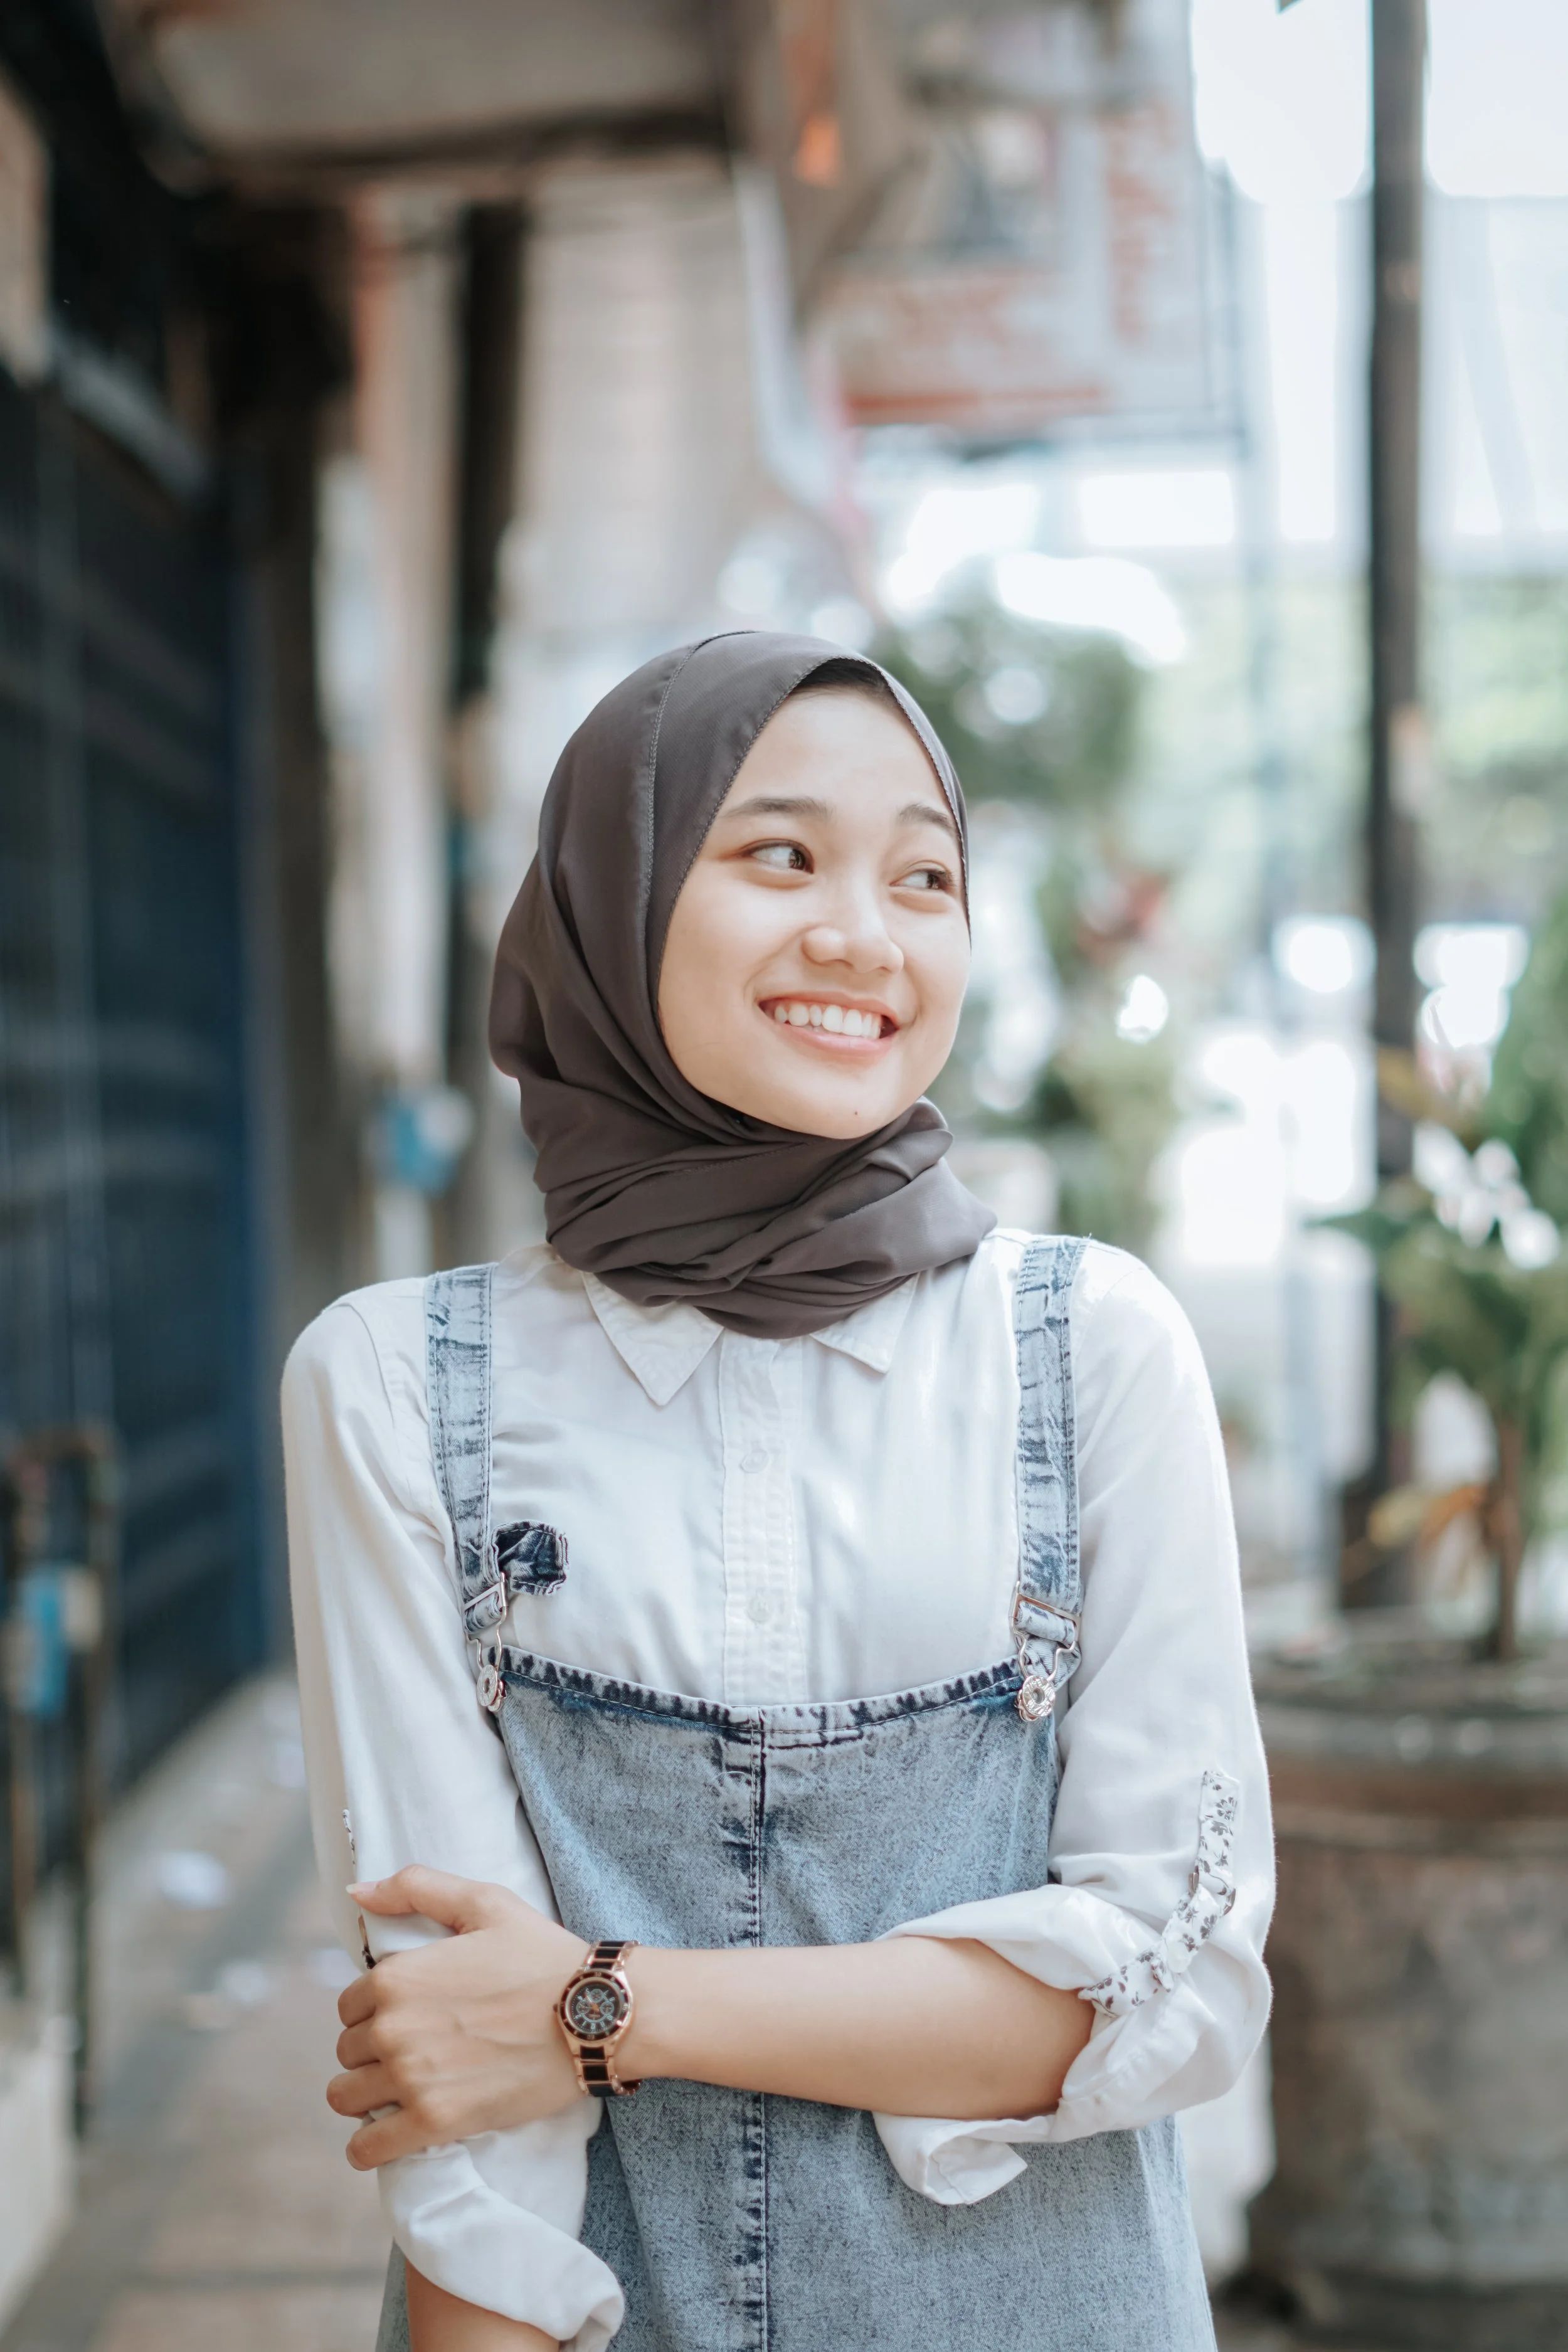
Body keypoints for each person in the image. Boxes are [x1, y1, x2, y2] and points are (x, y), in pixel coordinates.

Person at [284, 632, 1272, 2352]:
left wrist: (599, 2006)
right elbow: (459, 2089)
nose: (863, 935)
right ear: (613, 893)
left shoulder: (1088, 1348)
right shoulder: (394, 1382)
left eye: (924, 875)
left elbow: (1169, 1986)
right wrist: (523, 2027)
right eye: (780, 855)